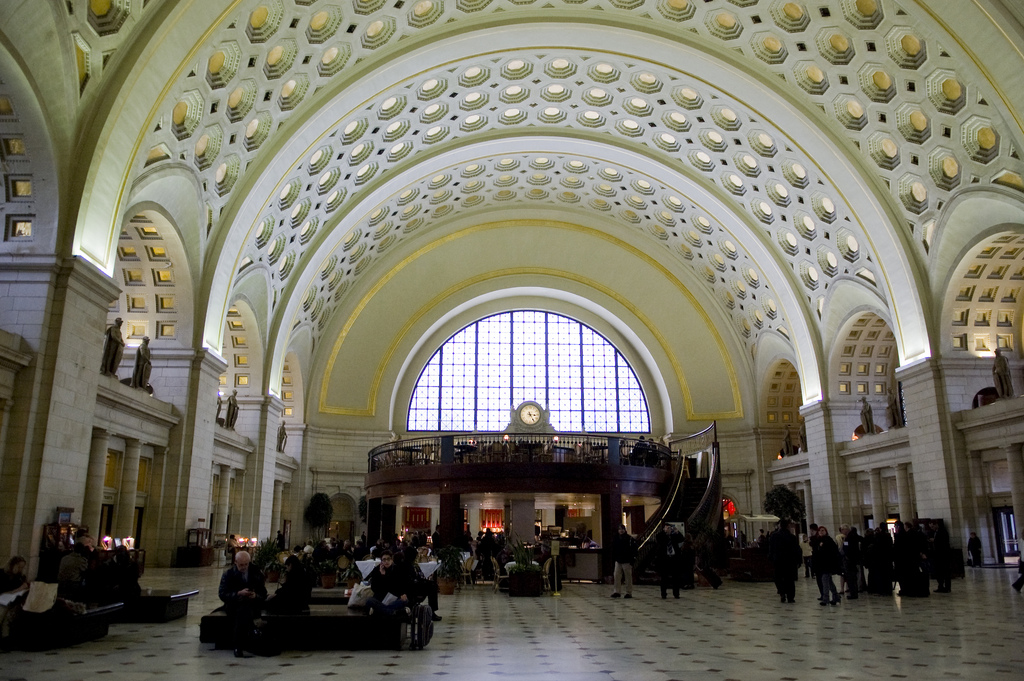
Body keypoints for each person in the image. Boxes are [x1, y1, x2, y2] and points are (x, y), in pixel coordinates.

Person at [218, 549, 267, 658]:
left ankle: (240, 645)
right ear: (236, 563)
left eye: (246, 564)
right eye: (241, 565)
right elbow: (222, 594)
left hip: (252, 603)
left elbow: (263, 593)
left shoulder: (255, 572)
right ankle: (241, 644)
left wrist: (255, 595)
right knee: (243, 613)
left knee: (245, 612)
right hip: (235, 605)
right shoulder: (229, 574)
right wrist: (238, 593)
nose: (244, 567)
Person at [365, 551, 412, 618]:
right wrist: (382, 576)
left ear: (392, 560)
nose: (386, 561)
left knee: (405, 600)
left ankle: (380, 610)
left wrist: (403, 594)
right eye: (384, 559)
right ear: (381, 561)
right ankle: (393, 612)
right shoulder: (376, 570)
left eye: (388, 559)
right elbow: (375, 588)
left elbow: (400, 585)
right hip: (380, 598)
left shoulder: (397, 569)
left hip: (394, 598)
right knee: (369, 600)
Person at [769, 519, 801, 603]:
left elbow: (771, 549)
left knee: (778, 578)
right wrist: (799, 561)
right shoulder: (792, 537)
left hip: (778, 561)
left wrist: (771, 558)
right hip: (790, 561)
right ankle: (790, 597)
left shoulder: (774, 536)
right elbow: (797, 550)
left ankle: (782, 593)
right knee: (790, 580)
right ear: (788, 526)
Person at [57, 535, 96, 602]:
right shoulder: (80, 560)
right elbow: (86, 570)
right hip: (73, 584)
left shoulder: (65, 558)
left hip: (61, 582)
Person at [813, 526, 841, 605]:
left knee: (825, 581)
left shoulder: (828, 540)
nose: (821, 532)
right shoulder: (818, 540)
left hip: (827, 564)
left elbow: (832, 552)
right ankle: (836, 597)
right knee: (829, 581)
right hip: (821, 564)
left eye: (823, 530)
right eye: (820, 531)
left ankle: (826, 598)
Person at [655, 523, 683, 599]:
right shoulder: (661, 536)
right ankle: (663, 593)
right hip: (665, 559)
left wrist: (677, 532)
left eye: (669, 528)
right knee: (664, 577)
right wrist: (665, 532)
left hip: (674, 559)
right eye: (667, 528)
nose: (668, 530)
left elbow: (681, 539)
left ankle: (676, 593)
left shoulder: (674, 536)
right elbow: (659, 538)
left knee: (675, 577)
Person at [610, 524, 637, 599]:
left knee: (628, 577)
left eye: (622, 529)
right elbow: (614, 550)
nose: (621, 531)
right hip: (618, 560)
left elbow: (634, 550)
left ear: (625, 530)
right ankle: (617, 591)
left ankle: (628, 592)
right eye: (619, 529)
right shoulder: (616, 538)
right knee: (616, 576)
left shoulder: (629, 539)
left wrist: (632, 560)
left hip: (627, 560)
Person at [929, 520, 952, 593]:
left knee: (946, 572)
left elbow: (943, 543)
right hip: (937, 556)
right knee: (939, 572)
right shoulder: (935, 532)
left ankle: (947, 587)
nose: (932, 528)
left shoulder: (943, 532)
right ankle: (941, 586)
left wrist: (934, 541)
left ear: (936, 525)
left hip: (943, 555)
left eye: (932, 526)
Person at [841, 526, 862, 599]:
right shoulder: (852, 536)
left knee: (851, 577)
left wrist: (847, 556)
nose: (842, 531)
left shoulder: (849, 538)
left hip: (850, 560)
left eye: (842, 529)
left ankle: (853, 593)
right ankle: (854, 592)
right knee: (853, 577)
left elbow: (848, 549)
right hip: (853, 560)